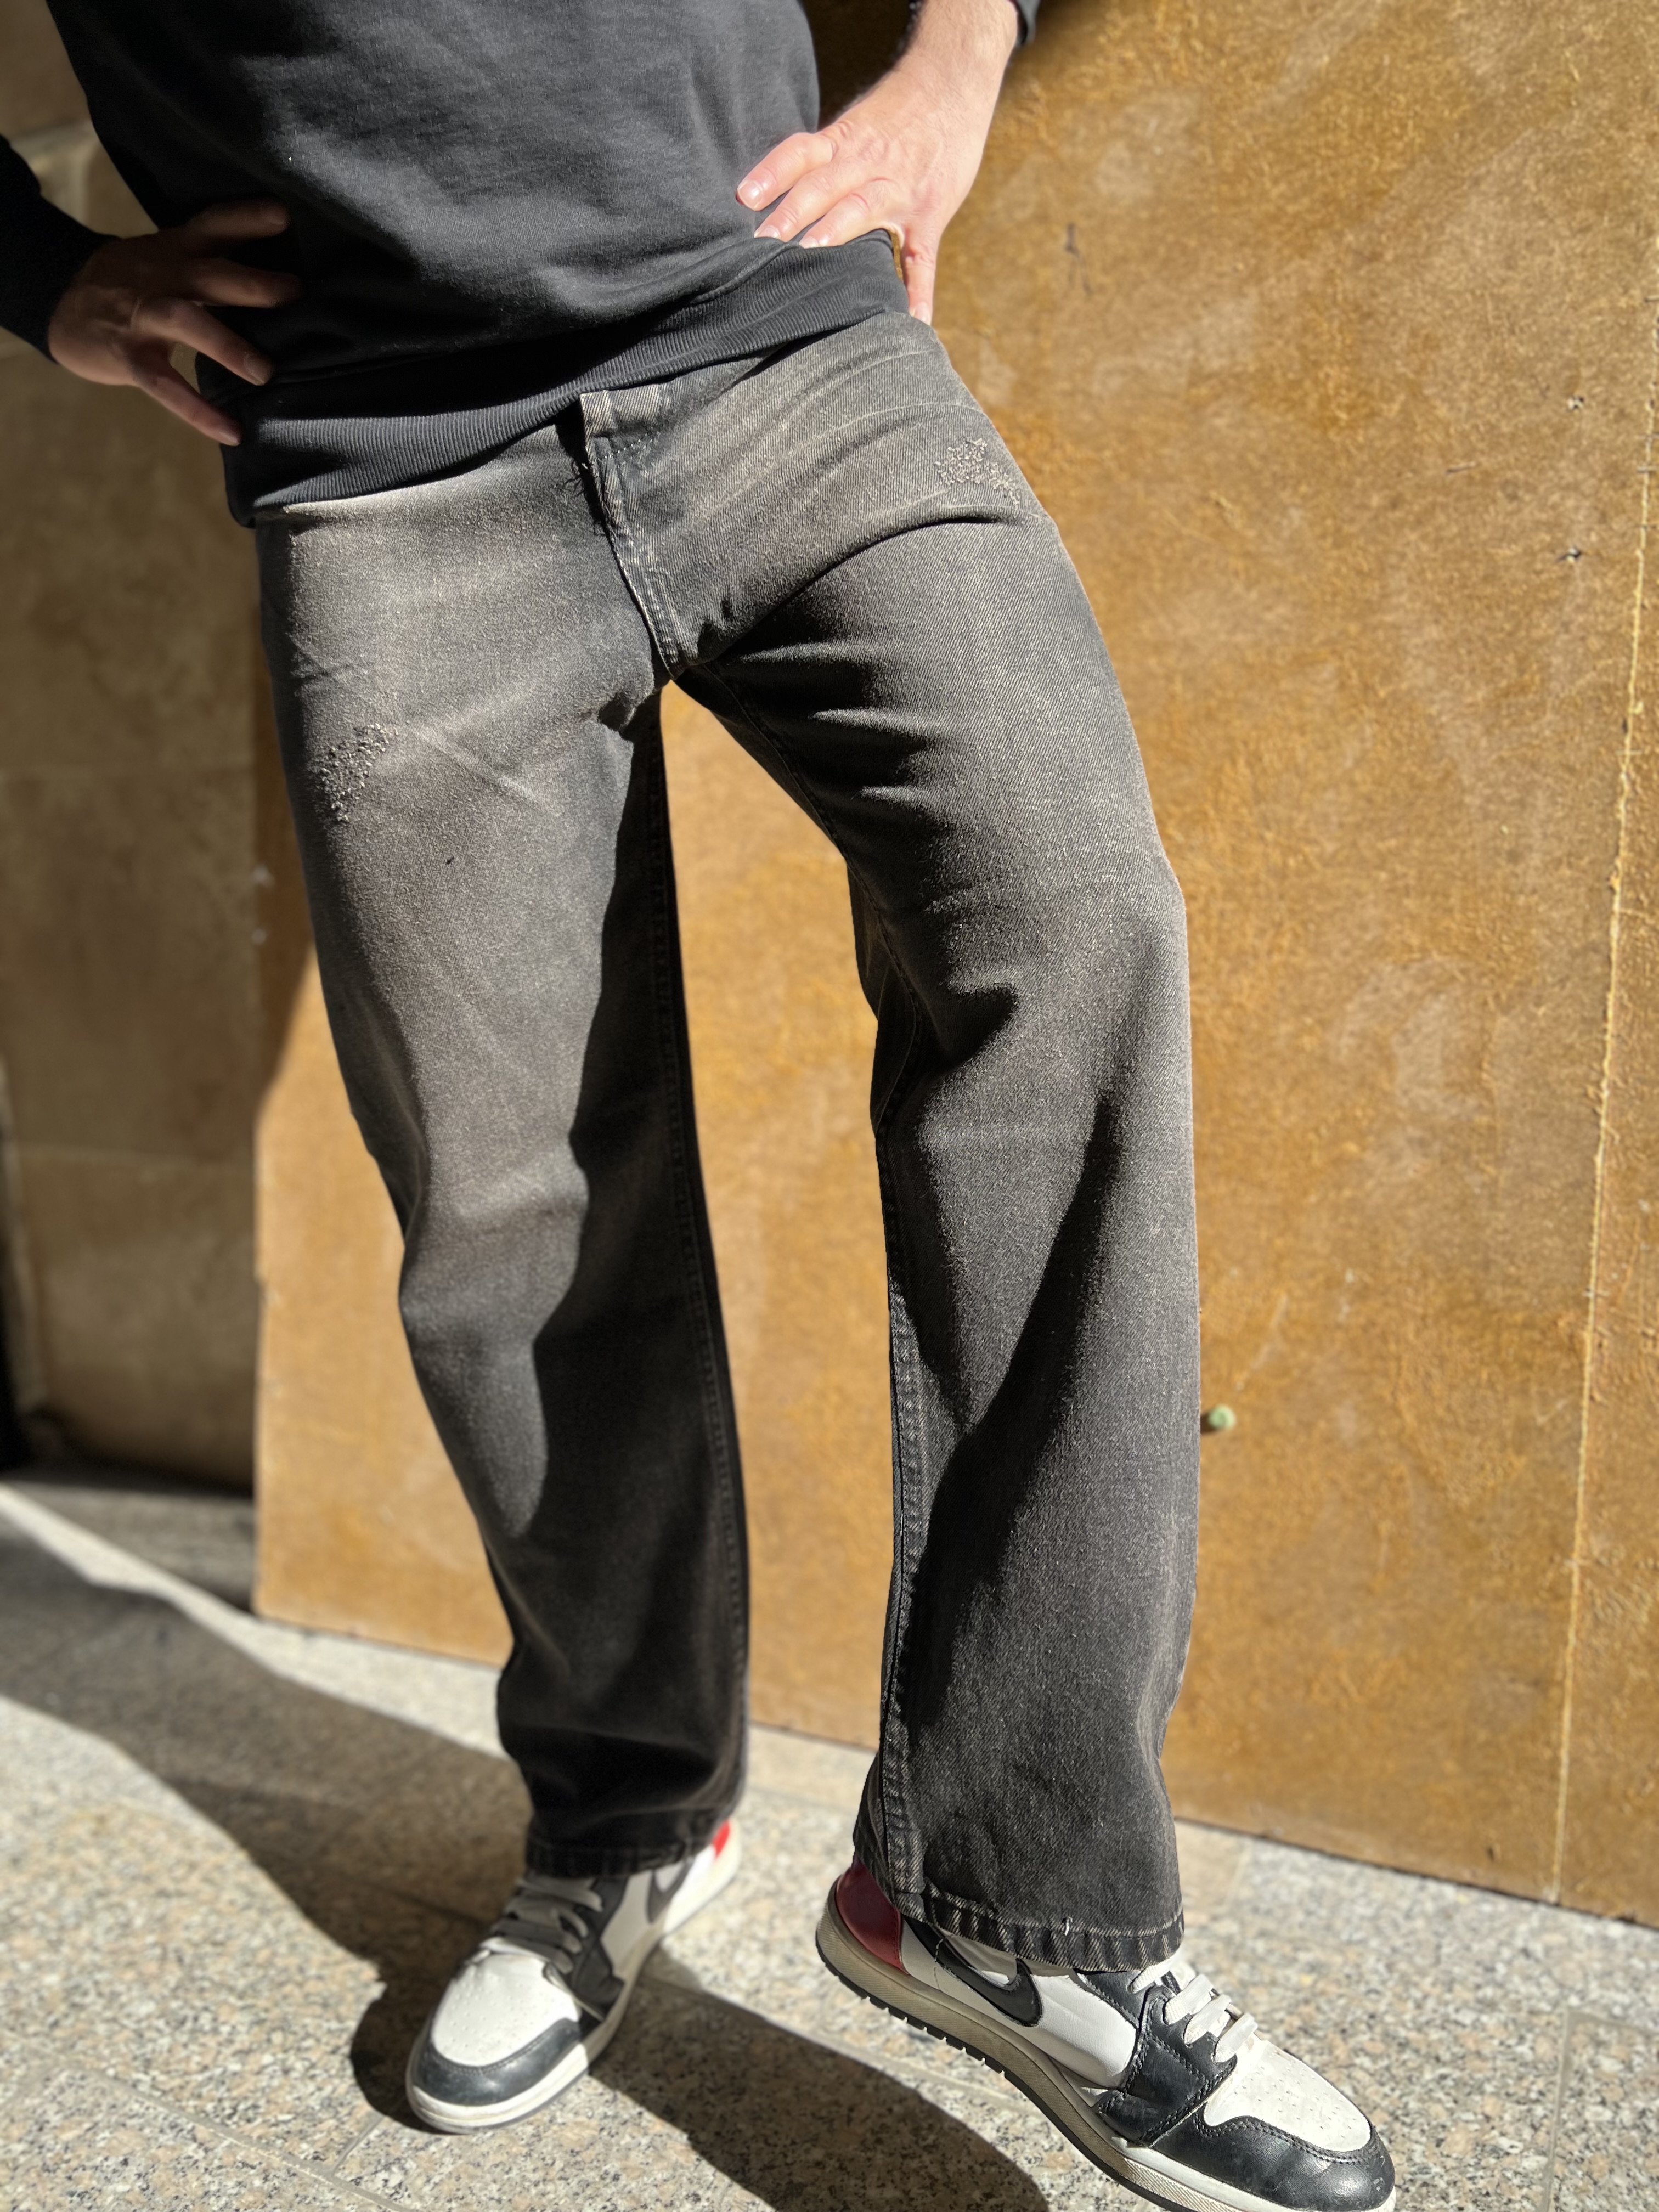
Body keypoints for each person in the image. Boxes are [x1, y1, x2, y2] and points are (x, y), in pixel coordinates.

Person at [2, 4, 1395, 2205]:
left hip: (794, 354)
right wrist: (38, 272)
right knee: (513, 1205)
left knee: (1070, 930)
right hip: (386, 468)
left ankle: (1017, 1900)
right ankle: (629, 1814)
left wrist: (961, 54)